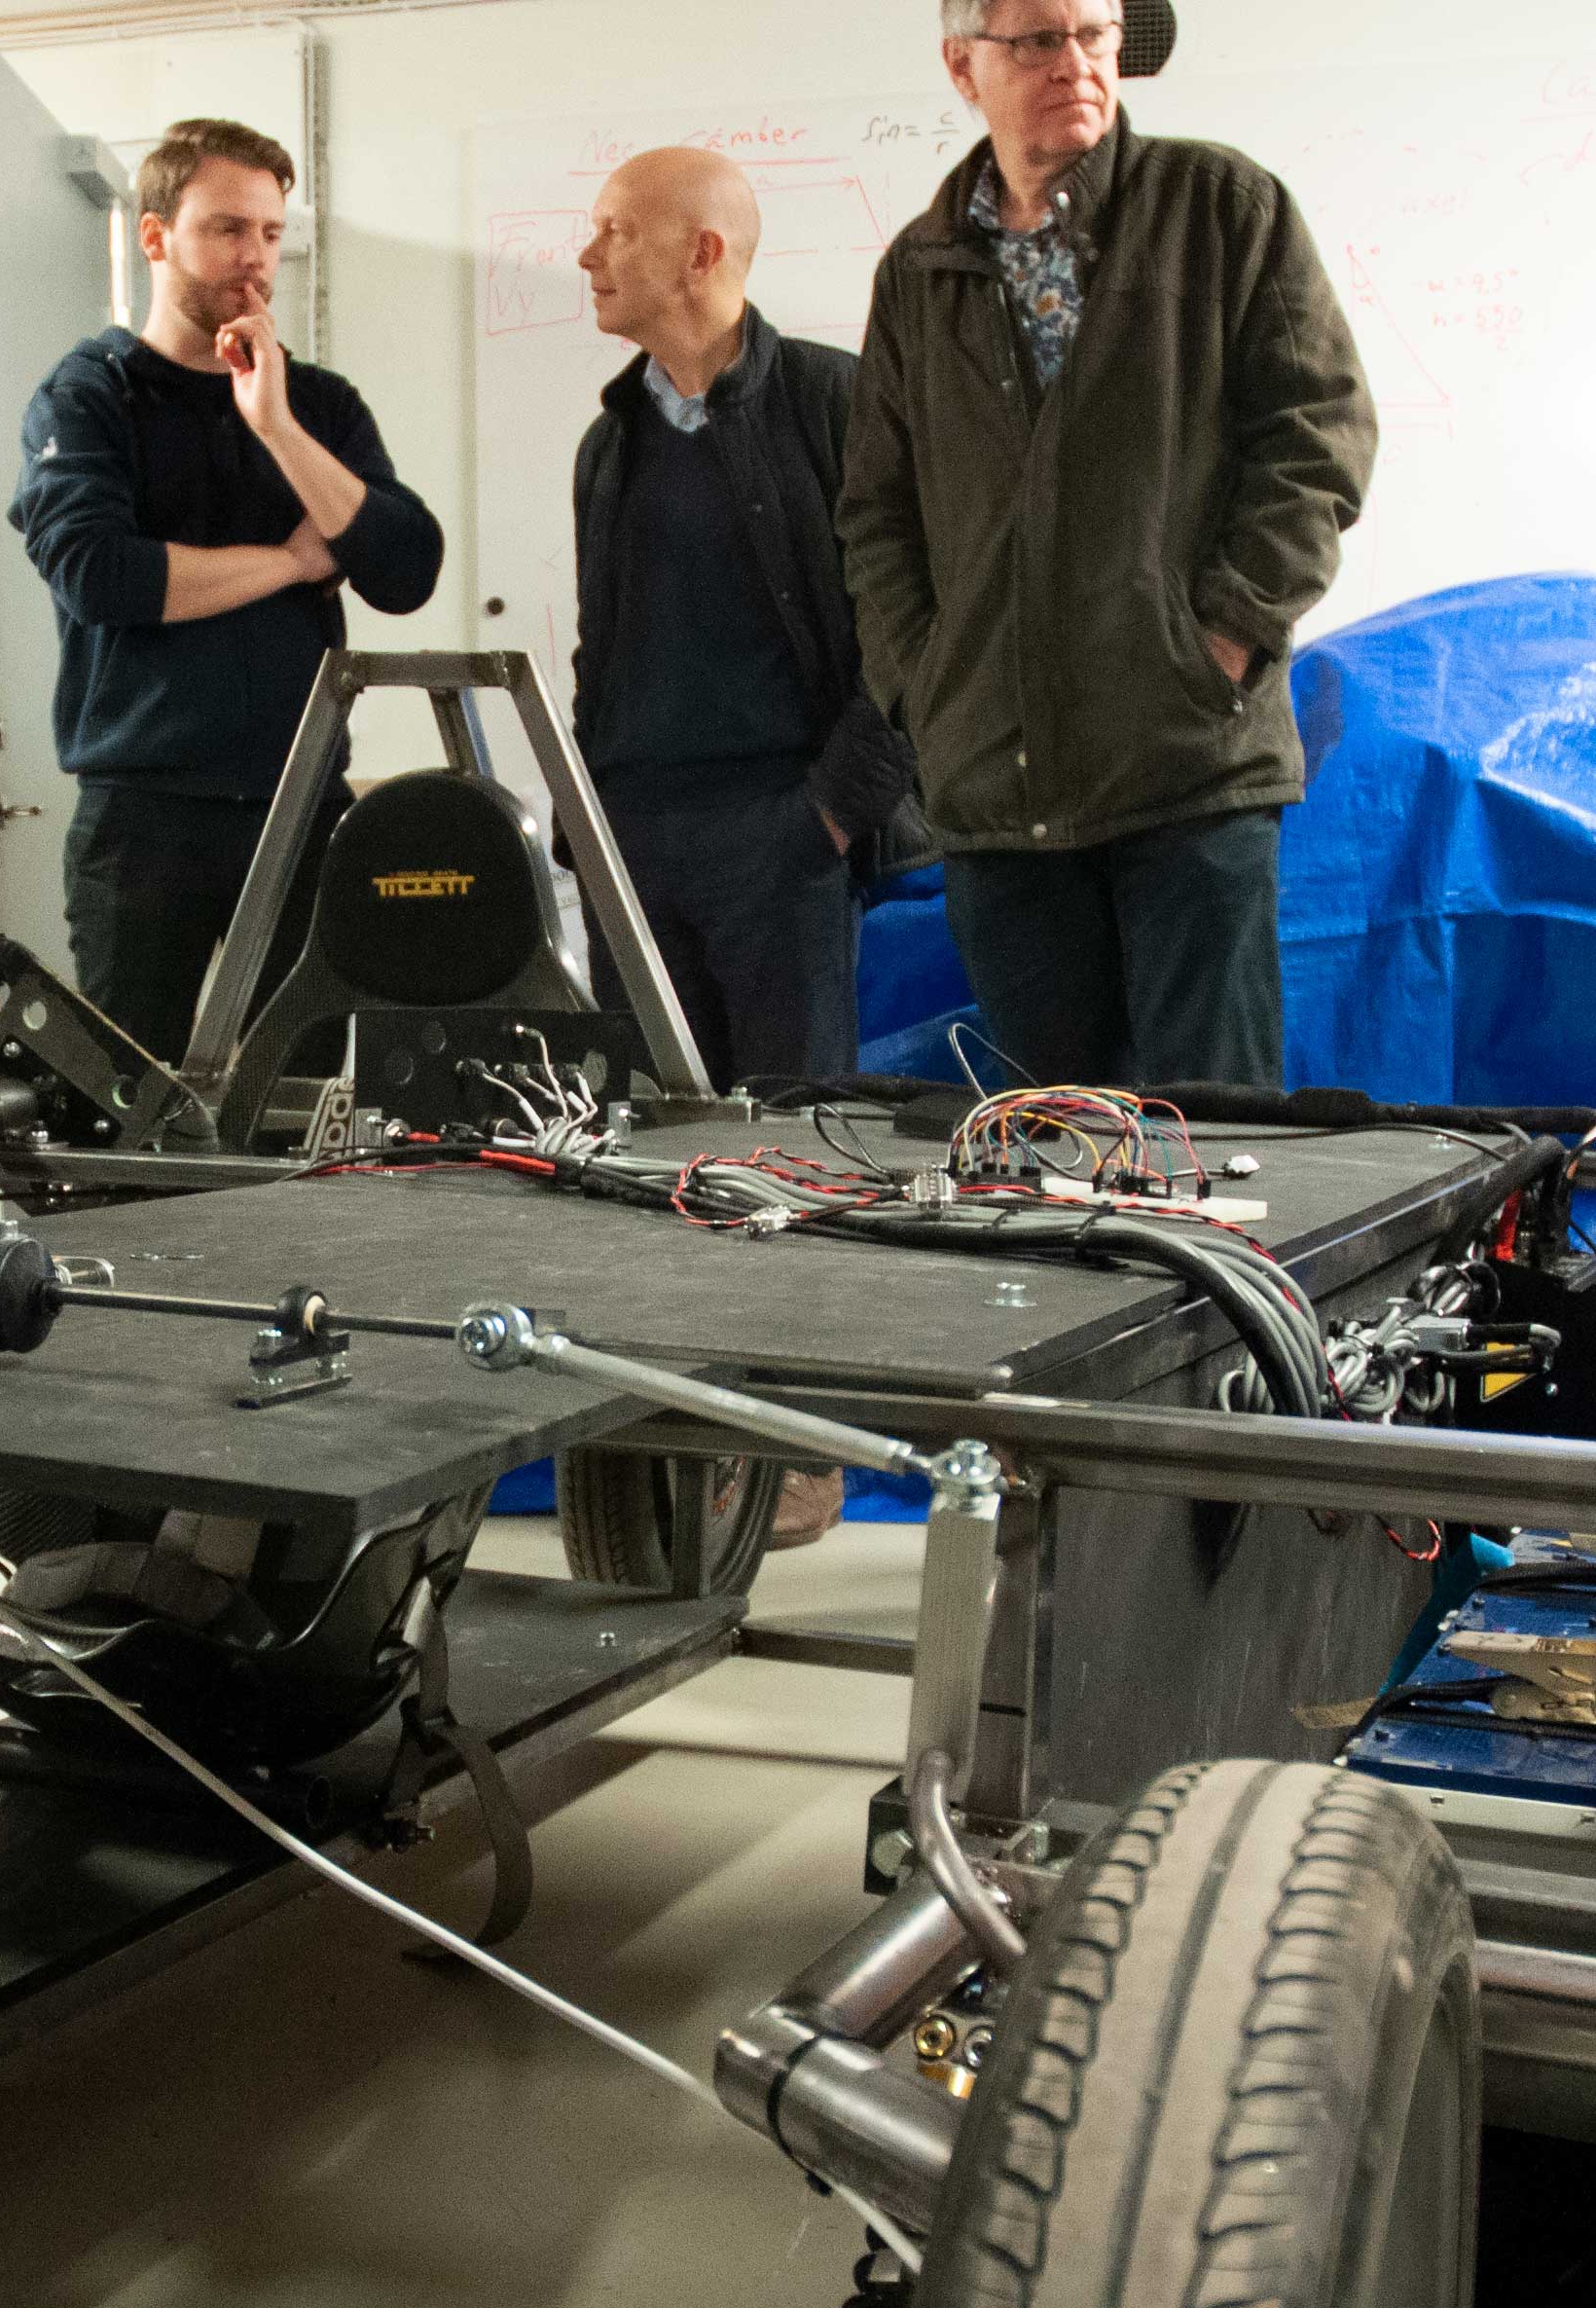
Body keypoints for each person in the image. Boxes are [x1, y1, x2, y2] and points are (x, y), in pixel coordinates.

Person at [839, 0, 1373, 1091]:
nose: (1077, 63)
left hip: (1187, 770)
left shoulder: (1221, 206)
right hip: (999, 794)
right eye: (1040, 40)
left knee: (1217, 1145)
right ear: (963, 67)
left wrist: (1222, 641)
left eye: (1095, 34)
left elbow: (1318, 437)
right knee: (1050, 1152)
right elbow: (876, 514)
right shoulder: (918, 269)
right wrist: (928, 694)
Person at [571, 145, 916, 1552]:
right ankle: (683, 1453)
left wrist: (835, 810)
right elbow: (598, 648)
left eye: (615, 231)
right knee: (649, 1161)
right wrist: (585, 821)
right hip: (635, 846)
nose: (588, 256)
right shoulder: (609, 437)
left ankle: (800, 1458)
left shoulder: (836, 401)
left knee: (790, 1157)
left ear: (700, 252)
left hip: (783, 829)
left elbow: (911, 626)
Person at [12, 118, 446, 1061]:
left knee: (299, 1102)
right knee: (131, 1103)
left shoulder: (317, 403)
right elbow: (101, 575)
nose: (254, 256)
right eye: (225, 228)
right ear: (155, 234)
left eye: (270, 232)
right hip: (142, 819)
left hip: (300, 810)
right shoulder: (88, 395)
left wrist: (276, 424)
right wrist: (292, 563)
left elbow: (406, 568)